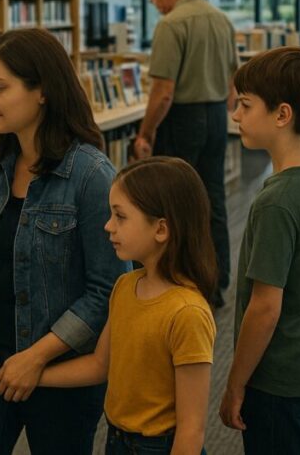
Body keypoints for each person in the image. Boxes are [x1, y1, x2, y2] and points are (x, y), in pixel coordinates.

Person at [0, 28, 128, 454]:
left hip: (60, 369)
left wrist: (36, 358)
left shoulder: (90, 175)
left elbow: (107, 290)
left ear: (43, 92)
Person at [39, 156, 217, 455]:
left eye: (120, 217)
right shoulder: (124, 287)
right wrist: (35, 376)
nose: (108, 226)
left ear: (161, 229)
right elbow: (100, 365)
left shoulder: (187, 314)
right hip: (117, 440)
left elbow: (191, 430)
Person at [219, 46, 300, 454]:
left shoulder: (277, 201)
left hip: (277, 380)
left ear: (282, 114)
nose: (235, 115)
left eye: (246, 106)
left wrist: (234, 384)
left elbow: (265, 308)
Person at [133, 0, 237, 308]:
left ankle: (177, 281)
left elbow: (163, 90)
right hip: (216, 117)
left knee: (173, 203)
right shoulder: (221, 20)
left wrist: (145, 134)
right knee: (213, 199)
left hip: (182, 119)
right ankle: (216, 282)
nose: (152, 1)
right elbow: (233, 81)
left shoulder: (171, 24)